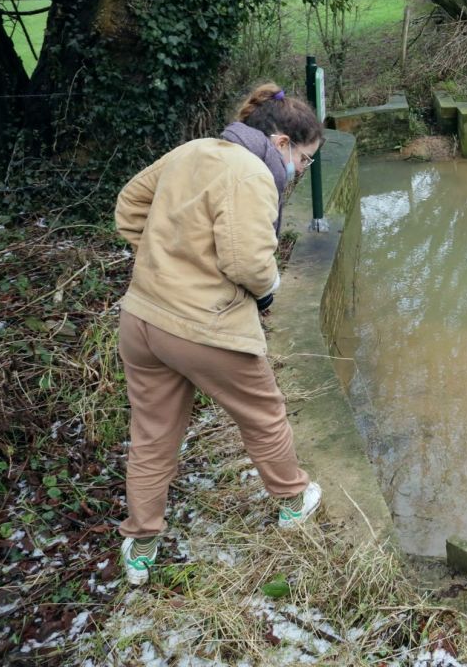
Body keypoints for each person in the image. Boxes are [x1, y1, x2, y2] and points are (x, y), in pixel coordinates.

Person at [113, 83, 324, 586]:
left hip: (142, 319)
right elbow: (247, 262)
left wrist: (169, 258)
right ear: (280, 143)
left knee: (152, 433)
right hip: (204, 326)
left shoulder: (191, 151)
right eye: (304, 160)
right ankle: (294, 500)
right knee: (264, 412)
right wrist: (269, 287)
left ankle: (141, 543)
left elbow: (129, 209)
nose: (300, 172)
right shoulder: (252, 173)